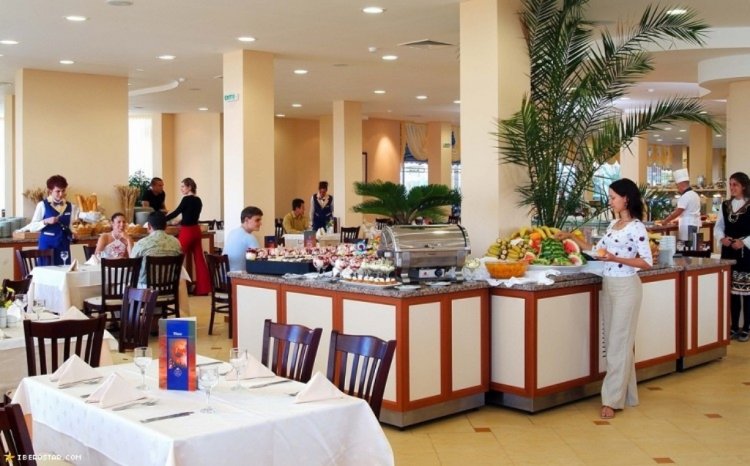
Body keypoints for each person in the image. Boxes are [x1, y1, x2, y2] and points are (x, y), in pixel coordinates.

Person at [557, 178, 652, 420]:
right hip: (609, 285)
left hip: (627, 287)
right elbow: (597, 251)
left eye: (613, 197)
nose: (610, 201)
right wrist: (571, 237)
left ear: (626, 199)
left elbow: (646, 262)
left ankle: (611, 400)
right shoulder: (613, 224)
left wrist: (615, 258)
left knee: (619, 344)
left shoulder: (636, 227)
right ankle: (628, 394)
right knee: (614, 343)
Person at [714, 171, 750, 342]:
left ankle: (747, 327)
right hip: (729, 252)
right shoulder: (725, 205)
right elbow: (718, 226)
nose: (732, 187)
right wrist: (722, 238)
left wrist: (744, 242)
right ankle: (734, 325)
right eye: (730, 184)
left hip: (746, 253)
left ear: (744, 186)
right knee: (732, 292)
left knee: (747, 292)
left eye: (735, 184)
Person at [165, 177, 211, 295]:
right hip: (196, 230)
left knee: (178, 258)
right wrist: (181, 220)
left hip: (187, 231)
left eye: (183, 186)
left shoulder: (186, 199)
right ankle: (203, 289)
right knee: (199, 259)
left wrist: (161, 219)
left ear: (189, 187)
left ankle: (172, 288)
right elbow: (191, 215)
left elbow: (176, 212)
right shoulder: (198, 200)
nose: (181, 189)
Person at [25, 175, 79, 265]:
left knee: (64, 270)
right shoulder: (42, 205)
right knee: (46, 271)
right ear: (50, 191)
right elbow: (32, 227)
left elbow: (70, 226)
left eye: (63, 191)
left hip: (63, 246)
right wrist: (46, 221)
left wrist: (73, 233)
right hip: (47, 247)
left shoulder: (70, 206)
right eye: (58, 191)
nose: (61, 194)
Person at [131, 211, 183, 286]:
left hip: (146, 290)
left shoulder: (141, 244)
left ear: (149, 226)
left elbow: (131, 265)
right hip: (169, 287)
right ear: (165, 226)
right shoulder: (176, 242)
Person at [661, 168, 701, 242]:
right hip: (695, 223)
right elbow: (688, 211)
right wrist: (677, 220)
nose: (677, 188)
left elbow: (678, 212)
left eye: (677, 186)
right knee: (694, 244)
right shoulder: (695, 194)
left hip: (687, 225)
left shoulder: (685, 196)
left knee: (687, 244)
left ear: (681, 184)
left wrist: (666, 221)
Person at [224, 206, 263, 272]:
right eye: (257, 220)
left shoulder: (231, 233)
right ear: (246, 220)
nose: (260, 223)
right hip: (238, 276)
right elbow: (260, 260)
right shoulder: (249, 237)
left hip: (224, 275)